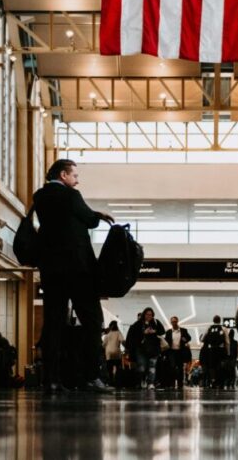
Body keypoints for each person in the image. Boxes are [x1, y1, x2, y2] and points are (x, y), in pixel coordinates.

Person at [33, 158, 115, 393]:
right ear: (63, 175)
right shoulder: (71, 196)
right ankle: (90, 376)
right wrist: (96, 214)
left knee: (53, 323)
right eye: (74, 176)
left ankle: (51, 379)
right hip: (78, 270)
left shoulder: (39, 197)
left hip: (51, 269)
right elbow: (89, 220)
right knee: (92, 321)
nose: (77, 181)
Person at [125, 308, 165, 388]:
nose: (149, 316)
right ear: (144, 314)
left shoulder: (156, 322)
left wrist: (154, 331)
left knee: (152, 366)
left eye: (150, 314)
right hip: (141, 349)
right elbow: (133, 336)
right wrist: (143, 333)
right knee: (141, 367)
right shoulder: (138, 324)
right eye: (147, 314)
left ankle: (150, 383)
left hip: (154, 349)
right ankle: (139, 381)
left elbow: (162, 331)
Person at [200, 316, 229, 388]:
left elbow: (202, 339)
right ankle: (220, 382)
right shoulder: (224, 328)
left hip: (211, 350)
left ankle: (213, 380)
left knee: (212, 366)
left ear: (213, 320)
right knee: (220, 365)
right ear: (220, 320)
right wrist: (228, 352)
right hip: (221, 349)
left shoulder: (209, 327)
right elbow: (227, 342)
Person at [164, 316, 192, 388]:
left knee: (180, 368)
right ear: (171, 323)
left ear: (177, 321)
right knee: (172, 367)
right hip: (171, 352)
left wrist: (185, 340)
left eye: (175, 321)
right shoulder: (168, 332)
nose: (174, 323)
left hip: (180, 351)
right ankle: (172, 383)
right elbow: (166, 342)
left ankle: (180, 384)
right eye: (172, 322)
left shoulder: (183, 330)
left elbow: (189, 338)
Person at [103, 321, 125, 387]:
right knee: (118, 369)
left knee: (110, 370)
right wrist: (127, 348)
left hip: (108, 353)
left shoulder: (107, 334)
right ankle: (118, 383)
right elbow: (123, 341)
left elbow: (104, 345)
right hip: (116, 353)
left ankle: (111, 382)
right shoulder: (118, 333)